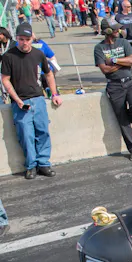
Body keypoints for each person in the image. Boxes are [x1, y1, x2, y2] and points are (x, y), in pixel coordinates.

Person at [1, 23, 63, 180]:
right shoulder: (9, 56)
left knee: (43, 132)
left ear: (32, 38)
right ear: (17, 38)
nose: (24, 43)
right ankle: (31, 166)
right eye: (21, 39)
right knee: (26, 135)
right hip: (20, 102)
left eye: (27, 39)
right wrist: (17, 99)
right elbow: (5, 79)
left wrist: (54, 93)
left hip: (38, 99)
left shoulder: (38, 54)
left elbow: (49, 74)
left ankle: (43, 164)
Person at [94, 19, 132, 161]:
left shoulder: (123, 42)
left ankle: (129, 115)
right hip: (114, 86)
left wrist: (115, 61)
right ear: (107, 31)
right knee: (122, 121)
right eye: (115, 29)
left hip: (129, 82)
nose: (118, 31)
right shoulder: (99, 48)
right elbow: (104, 69)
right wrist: (123, 62)